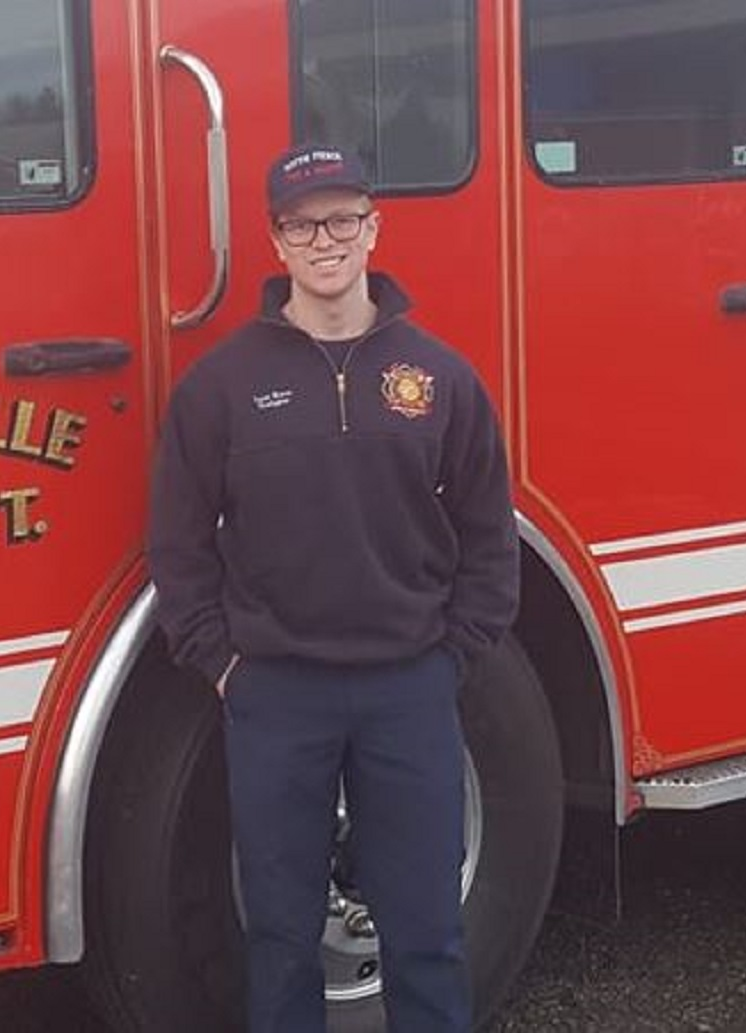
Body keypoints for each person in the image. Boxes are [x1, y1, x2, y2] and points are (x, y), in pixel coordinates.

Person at [147, 144, 518, 1033]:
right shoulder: (221, 389)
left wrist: (449, 657)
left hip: (409, 690)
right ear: (276, 241)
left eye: (343, 218)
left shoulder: (441, 381)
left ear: (374, 228)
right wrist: (224, 663)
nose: (326, 239)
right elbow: (178, 542)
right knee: (277, 934)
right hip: (276, 693)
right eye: (303, 223)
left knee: (427, 930)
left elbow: (488, 535)